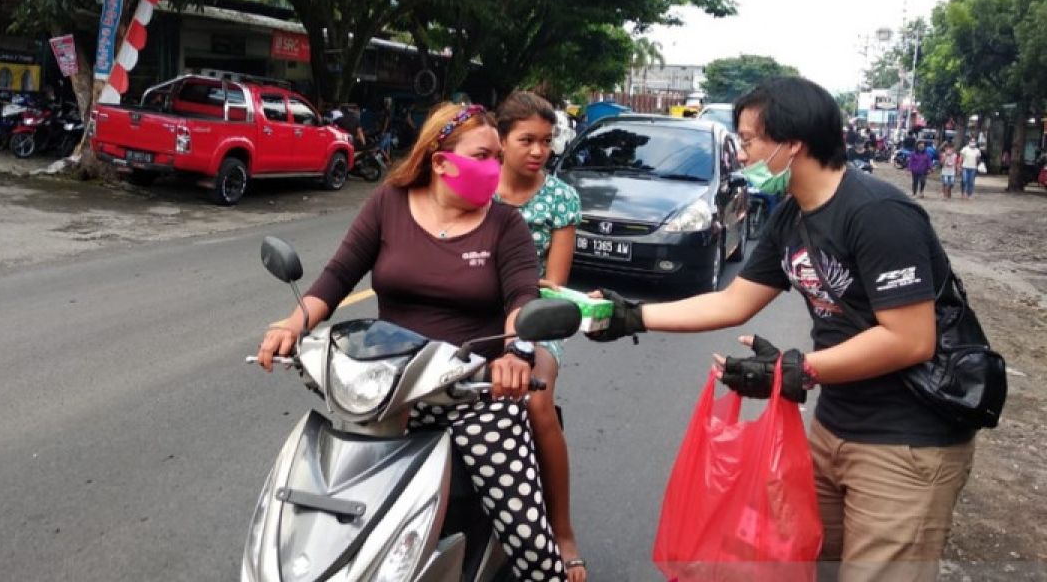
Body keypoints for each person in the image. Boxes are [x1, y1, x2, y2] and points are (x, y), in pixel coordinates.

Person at [588, 77, 975, 582]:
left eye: (748, 141)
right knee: (802, 563)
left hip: (907, 441)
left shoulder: (878, 213)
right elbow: (734, 300)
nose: (741, 153)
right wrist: (632, 316)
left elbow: (910, 338)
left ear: (792, 144)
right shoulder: (792, 215)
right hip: (834, 426)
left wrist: (797, 369)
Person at [255, 103, 568, 582]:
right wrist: (292, 325)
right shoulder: (389, 204)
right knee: (316, 500)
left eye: (496, 156)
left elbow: (523, 297)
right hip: (388, 392)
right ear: (440, 161)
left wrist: (514, 354)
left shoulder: (506, 225)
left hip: (473, 391)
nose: (495, 166)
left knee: (525, 530)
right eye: (483, 155)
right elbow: (337, 276)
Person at [494, 92, 587, 582]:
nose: (538, 151)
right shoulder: (476, 188)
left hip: (533, 318)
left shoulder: (561, 198)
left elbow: (552, 284)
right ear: (501, 139)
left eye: (546, 142)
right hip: (472, 318)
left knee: (536, 402)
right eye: (526, 140)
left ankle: (562, 529)